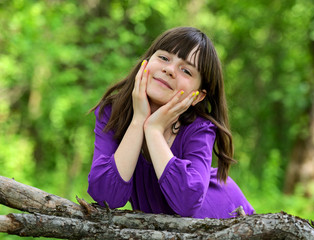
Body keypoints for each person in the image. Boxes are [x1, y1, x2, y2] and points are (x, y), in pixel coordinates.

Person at [87, 26, 254, 218]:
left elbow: (187, 203)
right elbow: (106, 197)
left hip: (228, 218)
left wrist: (154, 130)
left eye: (186, 71)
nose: (169, 70)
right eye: (164, 58)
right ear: (146, 62)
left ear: (198, 96)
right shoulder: (112, 114)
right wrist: (139, 121)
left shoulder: (199, 129)